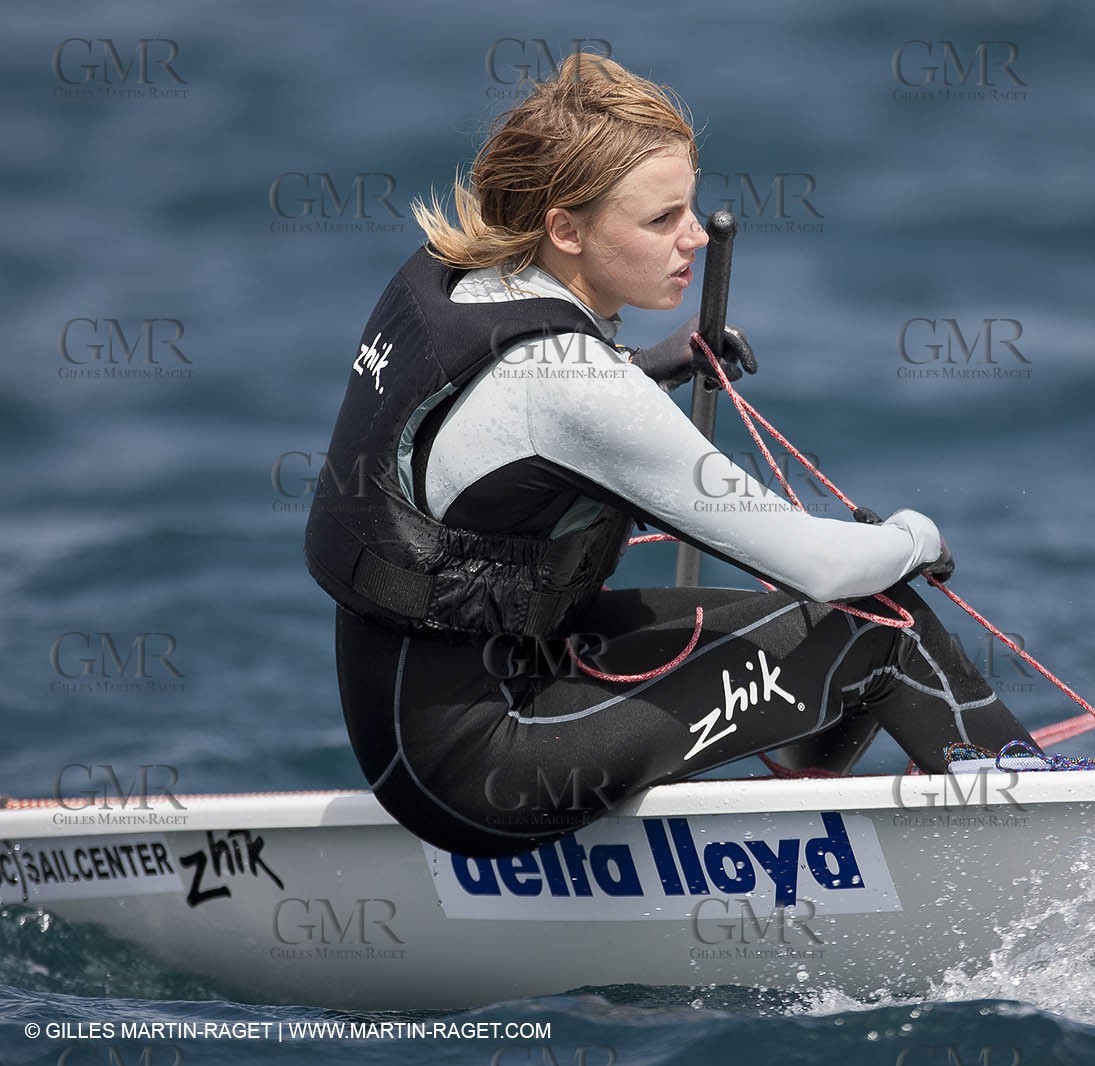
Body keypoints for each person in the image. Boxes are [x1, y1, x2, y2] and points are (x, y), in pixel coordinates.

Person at [306, 54, 1031, 858]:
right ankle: (1040, 832)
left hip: (445, 706)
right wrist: (916, 536)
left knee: (844, 628)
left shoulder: (460, 277)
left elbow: (503, 419)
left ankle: (794, 839)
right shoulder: (575, 388)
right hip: (476, 770)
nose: (691, 239)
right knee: (881, 623)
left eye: (691, 210)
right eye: (660, 221)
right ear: (565, 229)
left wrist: (652, 365)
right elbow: (820, 565)